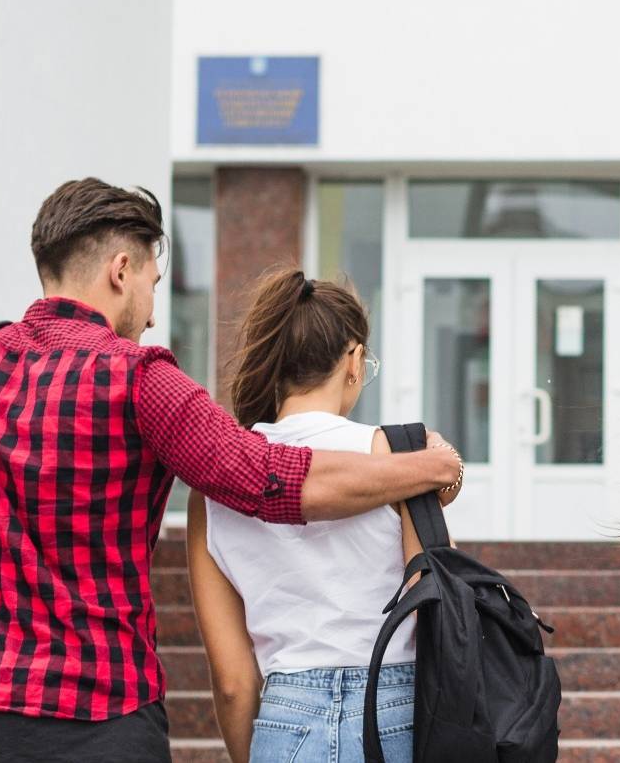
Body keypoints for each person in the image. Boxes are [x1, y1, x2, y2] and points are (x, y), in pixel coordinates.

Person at [0, 179, 464, 763]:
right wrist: (425, 466)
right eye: (152, 283)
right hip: (105, 719)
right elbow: (269, 479)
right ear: (121, 270)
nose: (149, 316)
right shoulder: (140, 379)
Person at [186, 269, 463, 763]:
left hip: (286, 716)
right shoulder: (397, 456)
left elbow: (232, 684)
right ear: (354, 359)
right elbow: (436, 612)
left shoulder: (216, 485)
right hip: (396, 706)